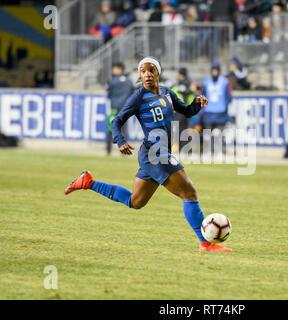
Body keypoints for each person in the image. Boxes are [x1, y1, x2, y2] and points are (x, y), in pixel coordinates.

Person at [64, 57, 231, 252]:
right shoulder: (138, 97)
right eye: (143, 71)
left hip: (156, 152)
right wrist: (120, 141)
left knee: (136, 202)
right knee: (188, 192)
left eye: (151, 70)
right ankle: (206, 243)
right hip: (154, 152)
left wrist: (197, 104)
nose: (147, 74)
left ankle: (89, 182)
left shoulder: (168, 93)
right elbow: (117, 120)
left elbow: (185, 111)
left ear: (158, 72)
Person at [202, 62, 232, 157]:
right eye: (213, 70)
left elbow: (229, 96)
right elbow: (203, 95)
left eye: (216, 70)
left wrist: (226, 106)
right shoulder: (206, 82)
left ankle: (219, 151)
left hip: (221, 111)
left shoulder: (225, 82)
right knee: (208, 134)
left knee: (219, 133)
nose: (214, 72)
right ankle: (208, 151)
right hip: (209, 111)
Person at [106, 62, 134, 155]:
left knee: (111, 128)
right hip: (125, 109)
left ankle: (108, 150)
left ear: (119, 69)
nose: (113, 70)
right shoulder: (129, 81)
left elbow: (109, 95)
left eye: (114, 68)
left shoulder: (112, 81)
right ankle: (124, 151)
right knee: (123, 129)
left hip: (114, 108)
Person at [171, 68, 195, 151]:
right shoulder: (184, 84)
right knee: (182, 129)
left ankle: (184, 148)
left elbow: (189, 95)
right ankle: (186, 148)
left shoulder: (186, 84)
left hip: (182, 110)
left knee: (180, 129)